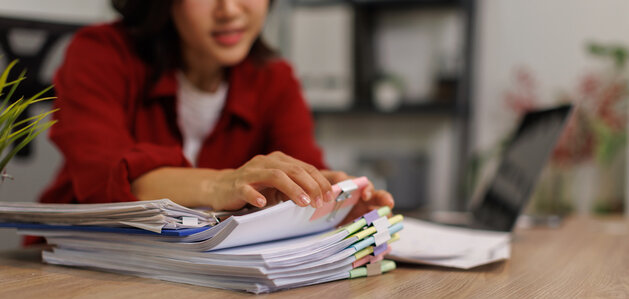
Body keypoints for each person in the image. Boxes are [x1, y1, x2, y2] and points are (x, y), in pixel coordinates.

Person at [36, 0, 393, 236]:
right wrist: (221, 184)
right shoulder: (100, 53)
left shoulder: (274, 79)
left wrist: (328, 201)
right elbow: (105, 176)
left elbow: (300, 171)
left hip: (210, 289)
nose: (230, 9)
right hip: (85, 272)